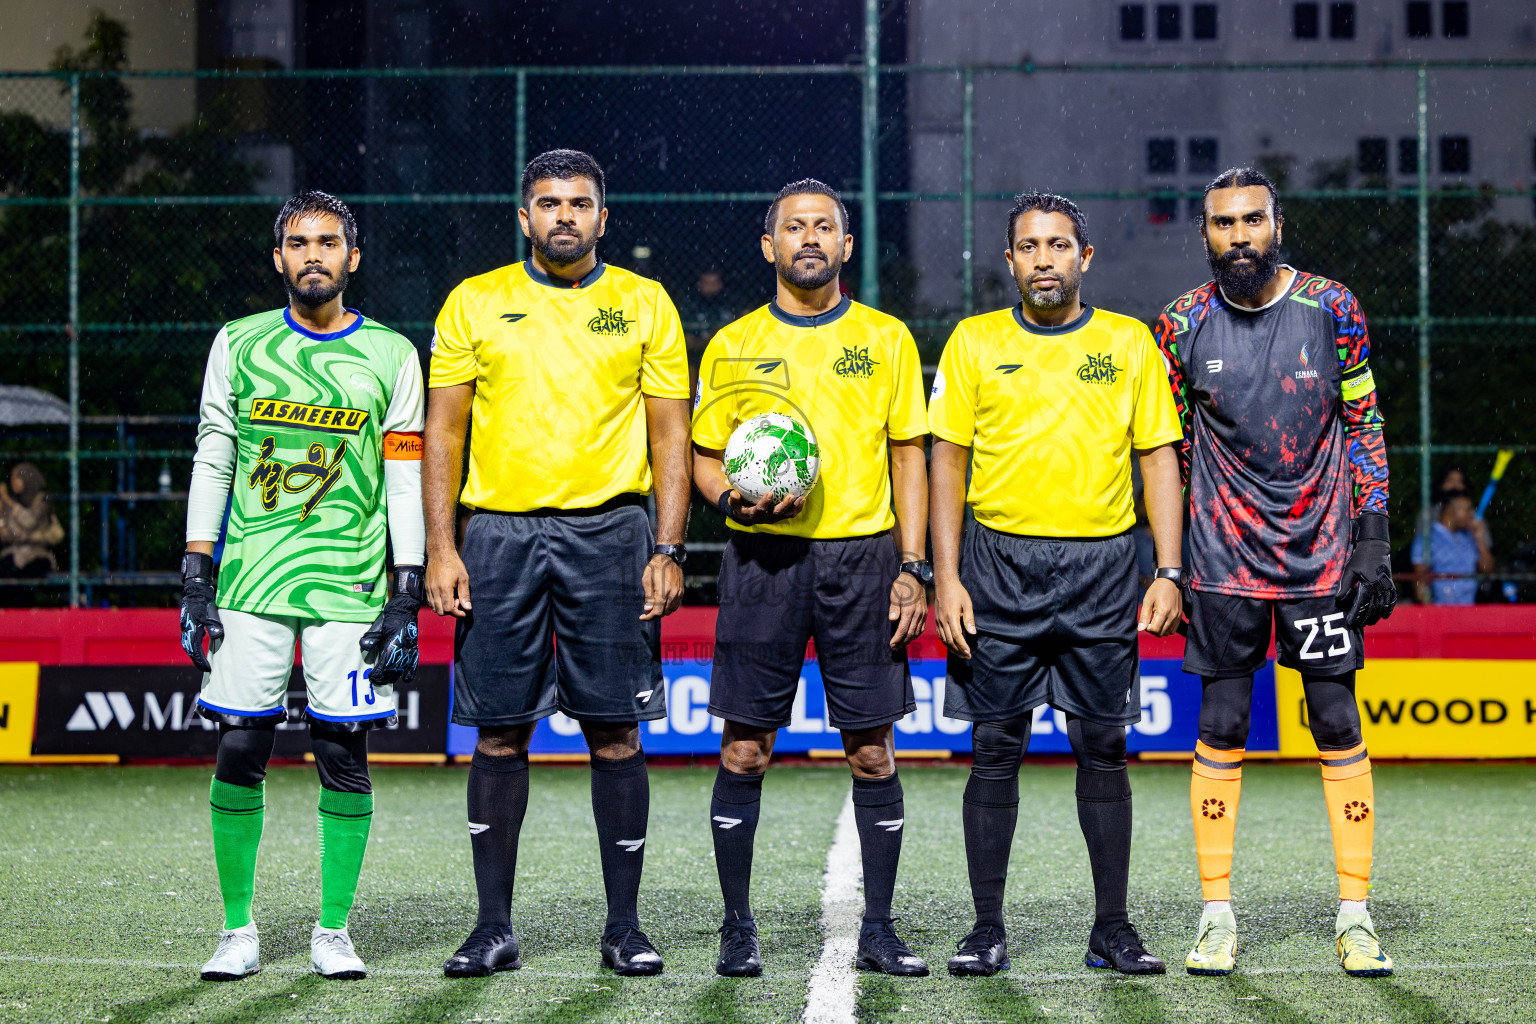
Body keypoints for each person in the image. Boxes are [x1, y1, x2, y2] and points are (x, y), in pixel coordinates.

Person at [424, 149, 692, 979]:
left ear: (603, 219)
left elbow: (670, 436)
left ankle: (624, 928)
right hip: (499, 537)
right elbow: (444, 434)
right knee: (499, 732)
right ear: (524, 217)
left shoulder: (645, 303)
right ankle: (492, 927)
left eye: (579, 204)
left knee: (614, 731)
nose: (564, 216)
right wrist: (441, 545)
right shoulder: (475, 301)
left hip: (610, 534)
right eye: (548, 203)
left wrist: (668, 547)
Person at [929, 192, 1185, 978]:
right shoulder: (972, 342)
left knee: (1102, 746)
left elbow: (1157, 459)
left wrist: (1168, 569)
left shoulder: (1129, 342)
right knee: (994, 746)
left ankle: (1112, 928)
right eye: (1030, 247)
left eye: (1059, 245)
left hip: (1104, 569)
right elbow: (947, 461)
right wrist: (945, 576)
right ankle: (985, 929)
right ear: (1008, 262)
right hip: (996, 566)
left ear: (1085, 258)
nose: (1045, 259)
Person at [1153, 167, 1397, 978]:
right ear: (1205, 235)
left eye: (1252, 220)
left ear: (1277, 224)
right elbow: (1171, 451)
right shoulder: (1181, 322)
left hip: (1321, 558)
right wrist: (1169, 558)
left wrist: (1373, 533)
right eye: (1223, 224)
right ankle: (1216, 914)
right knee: (1221, 724)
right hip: (1222, 563)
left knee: (1335, 722)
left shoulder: (1333, 308)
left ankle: (1356, 914)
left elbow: (1363, 420)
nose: (1239, 237)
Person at [179, 191, 426, 982]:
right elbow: (214, 455)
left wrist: (405, 590)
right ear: (277, 258)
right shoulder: (239, 342)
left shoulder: (391, 354)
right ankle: (237, 930)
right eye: (297, 242)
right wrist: (195, 573)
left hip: (350, 585)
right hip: (250, 581)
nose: (312, 255)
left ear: (353, 259)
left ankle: (333, 931)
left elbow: (405, 476)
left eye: (328, 242)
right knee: (241, 749)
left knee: (341, 754)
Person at [691, 179, 931, 978]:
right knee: (747, 749)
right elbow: (701, 454)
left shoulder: (888, 338)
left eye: (825, 226)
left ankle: (881, 929)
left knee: (871, 751)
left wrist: (914, 565)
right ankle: (736, 927)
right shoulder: (730, 344)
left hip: (862, 559)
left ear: (847, 245)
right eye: (794, 227)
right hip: (764, 559)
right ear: (770, 247)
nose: (809, 238)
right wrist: (733, 497)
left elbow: (909, 455)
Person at [1411, 490, 1492, 605]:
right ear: (1451, 510)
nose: (1472, 514)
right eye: (1467, 509)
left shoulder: (1469, 538)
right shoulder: (1426, 540)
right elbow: (1421, 585)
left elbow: (1486, 570)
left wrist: (1480, 538)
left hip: (1470, 610)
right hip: (1440, 611)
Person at [0, 463, 64, 576]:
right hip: (14, 554)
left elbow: (29, 521)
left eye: (16, 478)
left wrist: (8, 501)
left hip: (38, 555)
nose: (12, 482)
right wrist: (1, 518)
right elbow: (7, 536)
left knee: (28, 572)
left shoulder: (42, 500)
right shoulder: (13, 502)